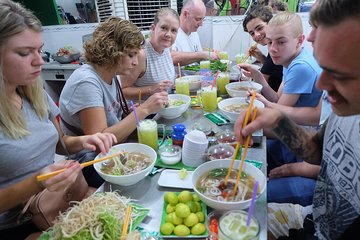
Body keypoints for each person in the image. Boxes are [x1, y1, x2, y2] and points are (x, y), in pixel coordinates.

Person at [235, 0, 360, 238]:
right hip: (317, 218)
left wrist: (291, 168)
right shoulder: (346, 112)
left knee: (247, 206)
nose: (321, 85)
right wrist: (275, 121)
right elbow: (318, 150)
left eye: (340, 73)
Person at [0, 1, 116, 239]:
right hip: (15, 225)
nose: (39, 61)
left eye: (38, 50)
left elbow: (60, 142)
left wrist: (85, 140)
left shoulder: (33, 92)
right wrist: (38, 181)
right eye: (24, 53)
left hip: (56, 203)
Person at [59, 17, 168, 187]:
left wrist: (131, 113)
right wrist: (144, 110)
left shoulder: (111, 75)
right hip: (89, 164)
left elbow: (114, 117)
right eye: (131, 55)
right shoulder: (87, 82)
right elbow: (101, 141)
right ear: (112, 51)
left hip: (116, 152)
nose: (135, 62)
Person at [121, 8, 179, 99]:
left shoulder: (167, 48)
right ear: (153, 28)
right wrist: (151, 89)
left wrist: (174, 83)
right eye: (164, 28)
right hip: (146, 111)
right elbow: (123, 91)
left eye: (173, 30)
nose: (168, 34)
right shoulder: (141, 54)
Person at [242, 5, 283, 91]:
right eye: (252, 33)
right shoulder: (271, 48)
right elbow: (275, 70)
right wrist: (262, 58)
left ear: (271, 23)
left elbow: (260, 87)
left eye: (260, 28)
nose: (256, 35)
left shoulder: (279, 49)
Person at [171, 0, 219, 66]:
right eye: (198, 19)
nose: (201, 24)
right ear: (185, 14)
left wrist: (210, 56)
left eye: (203, 19)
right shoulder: (172, 31)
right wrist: (202, 54)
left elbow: (199, 58)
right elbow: (171, 57)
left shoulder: (194, 32)